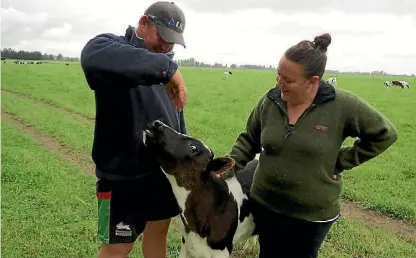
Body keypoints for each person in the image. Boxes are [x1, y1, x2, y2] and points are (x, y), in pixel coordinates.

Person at [227, 33, 398, 258]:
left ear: (313, 81)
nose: (279, 84)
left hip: (310, 214)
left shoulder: (342, 105)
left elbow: (385, 134)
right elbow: (249, 138)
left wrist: (340, 161)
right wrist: (225, 169)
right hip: (266, 203)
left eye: (288, 80)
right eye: (278, 76)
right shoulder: (270, 101)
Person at [79, 2, 188, 258]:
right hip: (119, 179)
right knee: (116, 247)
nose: (166, 47)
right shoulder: (113, 50)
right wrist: (168, 69)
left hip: (161, 177)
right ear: (143, 23)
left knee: (158, 232)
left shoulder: (165, 70)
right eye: (162, 37)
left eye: (172, 42)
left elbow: (177, 123)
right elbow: (91, 56)